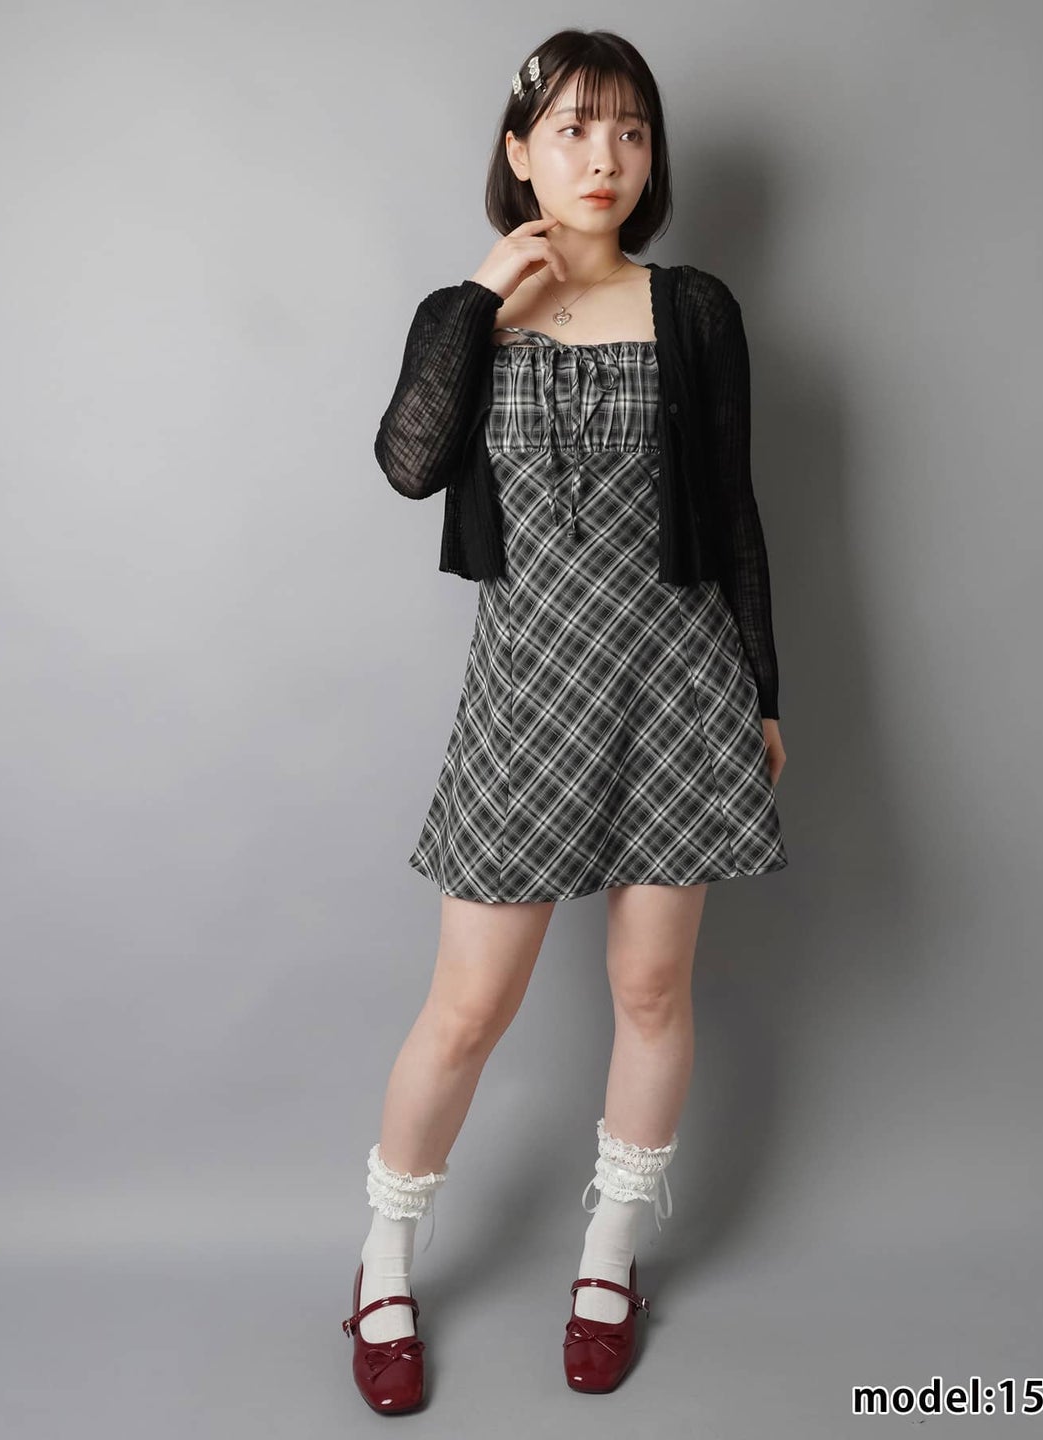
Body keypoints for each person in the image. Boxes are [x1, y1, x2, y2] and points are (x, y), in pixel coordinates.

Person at [342, 28, 789, 1414]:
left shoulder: (696, 308)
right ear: (521, 151)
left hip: (680, 685)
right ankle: (383, 1262)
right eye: (577, 129)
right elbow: (408, 464)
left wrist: (763, 693)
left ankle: (609, 1260)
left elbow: (735, 513)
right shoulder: (463, 314)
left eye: (632, 130)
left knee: (652, 991)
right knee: (468, 1008)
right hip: (528, 692)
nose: (607, 157)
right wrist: (485, 299)